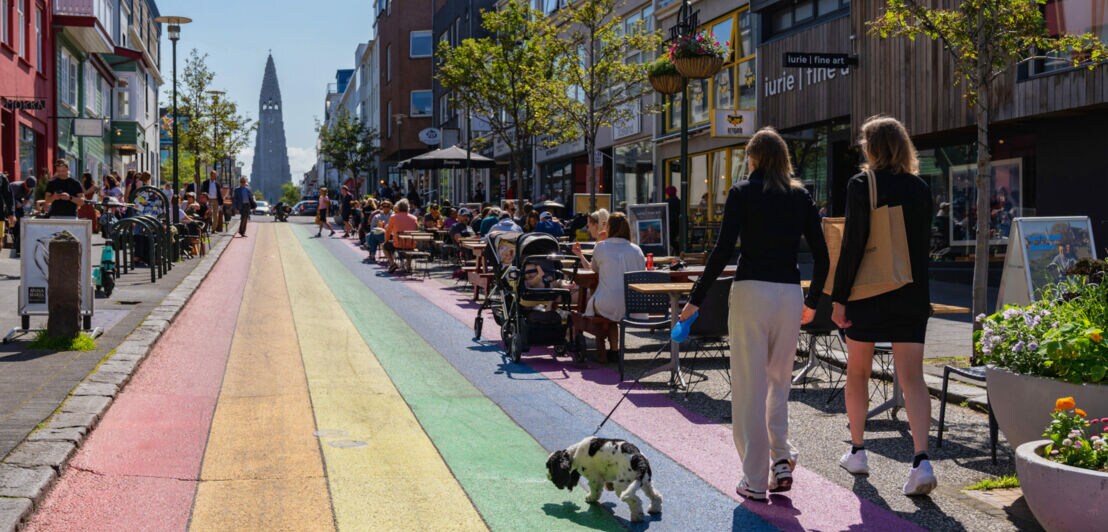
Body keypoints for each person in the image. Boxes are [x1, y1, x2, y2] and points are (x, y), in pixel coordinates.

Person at [678, 127, 830, 501]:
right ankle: (780, 459)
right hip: (789, 294)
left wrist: (695, 299)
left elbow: (723, 249)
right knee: (778, 382)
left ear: (755, 158)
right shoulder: (801, 196)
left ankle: (754, 479)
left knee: (749, 386)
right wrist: (813, 304)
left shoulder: (742, 192)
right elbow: (824, 255)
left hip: (751, 293)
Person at [830, 116, 936, 497]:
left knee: (858, 372)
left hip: (869, 294)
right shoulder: (921, 188)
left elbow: (854, 245)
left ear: (871, 147)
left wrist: (838, 298)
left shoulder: (862, 185)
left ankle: (858, 451)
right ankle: (921, 460)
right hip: (911, 294)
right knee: (913, 379)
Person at [583, 213, 644, 359]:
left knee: (605, 301)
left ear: (609, 227)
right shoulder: (637, 250)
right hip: (634, 304)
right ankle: (614, 349)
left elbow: (594, 269)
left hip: (608, 303)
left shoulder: (601, 247)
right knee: (615, 302)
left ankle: (611, 349)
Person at [384, 198, 419, 273]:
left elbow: (388, 231)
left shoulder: (393, 217)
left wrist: (386, 240)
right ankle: (409, 266)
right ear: (408, 208)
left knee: (384, 246)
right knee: (409, 245)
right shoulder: (414, 218)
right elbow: (416, 230)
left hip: (398, 244)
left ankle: (392, 263)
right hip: (411, 244)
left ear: (398, 207)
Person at [665, 185, 681, 253]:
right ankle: (676, 251)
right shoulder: (679, 202)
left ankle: (676, 250)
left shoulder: (666, 202)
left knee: (669, 240)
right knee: (672, 240)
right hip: (678, 224)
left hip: (669, 224)